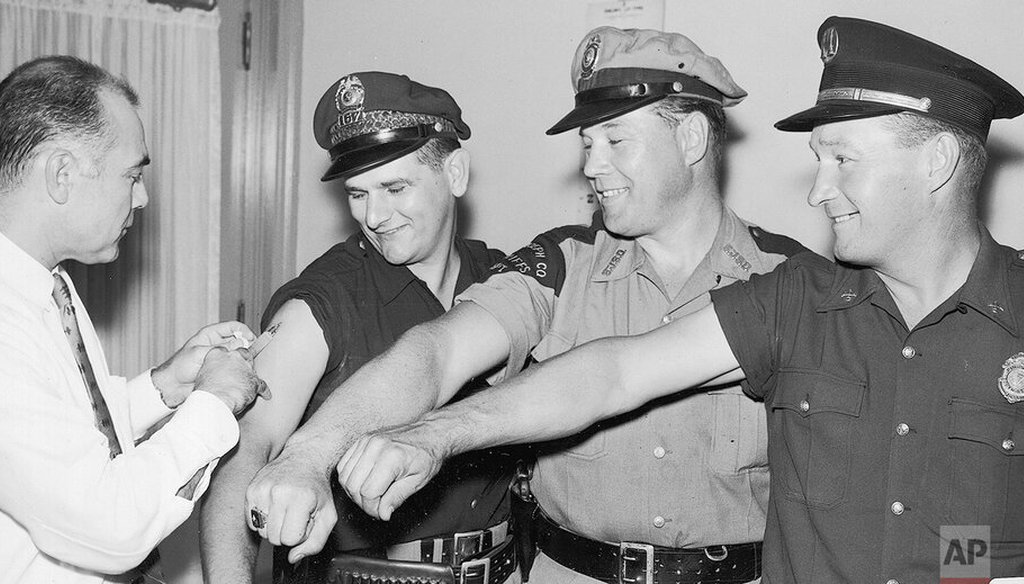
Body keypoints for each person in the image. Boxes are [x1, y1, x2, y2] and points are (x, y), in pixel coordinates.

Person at [335, 16, 1024, 584]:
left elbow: (977, 534)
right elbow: (609, 373)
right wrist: (425, 435)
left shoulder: (808, 279)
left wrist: (980, 569)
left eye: (842, 159)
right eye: (586, 143)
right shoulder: (797, 301)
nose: (817, 190)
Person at [248, 27, 794, 584]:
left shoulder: (789, 281)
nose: (590, 165)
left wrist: (435, 435)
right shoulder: (559, 263)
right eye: (587, 144)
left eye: (614, 140)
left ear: (692, 139)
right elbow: (437, 353)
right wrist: (306, 457)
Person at [199, 71, 516, 584]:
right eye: (357, 193)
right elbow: (243, 449)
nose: (374, 214)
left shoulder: (501, 284)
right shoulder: (323, 302)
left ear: (454, 173)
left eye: (394, 187)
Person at [0, 55, 269, 583]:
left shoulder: (47, 285)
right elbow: (109, 523)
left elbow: (61, 436)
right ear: (61, 174)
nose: (142, 198)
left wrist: (165, 386)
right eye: (132, 175)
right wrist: (215, 402)